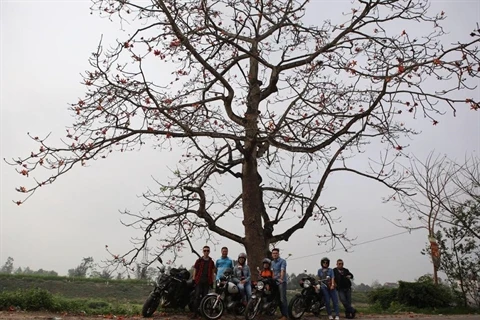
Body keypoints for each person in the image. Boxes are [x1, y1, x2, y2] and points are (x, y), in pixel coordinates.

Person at [191, 245, 215, 319]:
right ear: (203, 251)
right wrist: (194, 279)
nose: (206, 252)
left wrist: (212, 281)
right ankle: (195, 313)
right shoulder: (199, 260)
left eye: (207, 250)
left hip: (207, 282)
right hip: (199, 280)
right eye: (205, 250)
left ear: (209, 251)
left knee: (205, 298)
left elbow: (212, 272)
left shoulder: (211, 262)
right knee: (197, 297)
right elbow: (195, 269)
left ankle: (203, 313)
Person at [271, 248, 288, 320]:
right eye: (273, 253)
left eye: (276, 253)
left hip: (281, 282)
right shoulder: (272, 262)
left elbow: (282, 270)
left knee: (282, 299)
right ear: (272, 254)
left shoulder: (282, 261)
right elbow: (272, 272)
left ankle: (285, 315)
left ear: (278, 254)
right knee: (275, 298)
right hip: (274, 282)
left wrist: (281, 278)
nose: (274, 254)